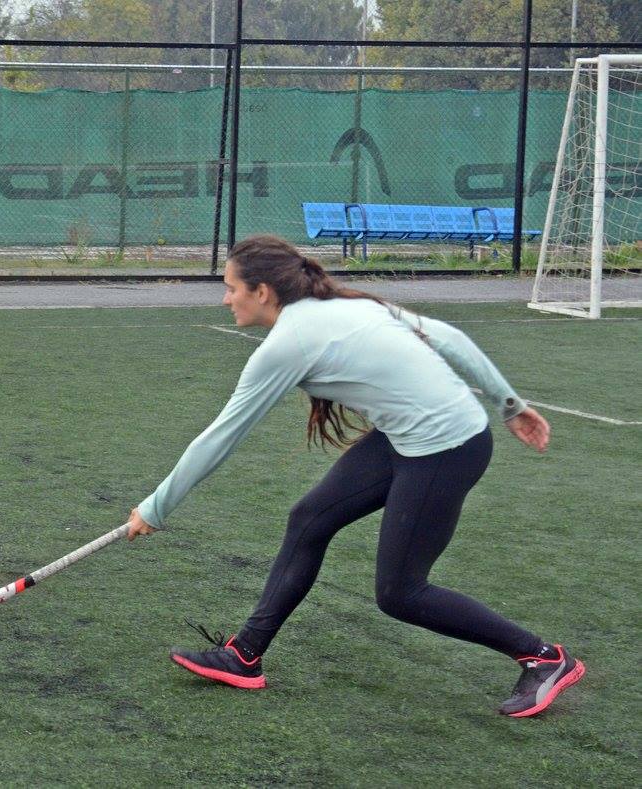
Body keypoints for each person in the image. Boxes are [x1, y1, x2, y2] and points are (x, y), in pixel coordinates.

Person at [125, 234, 584, 718]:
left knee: (401, 593)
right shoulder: (342, 305)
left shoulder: (287, 343)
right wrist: (509, 404)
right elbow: (448, 336)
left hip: (447, 448)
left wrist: (156, 507)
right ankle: (244, 656)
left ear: (262, 292)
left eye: (231, 287)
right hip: (405, 437)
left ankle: (544, 657)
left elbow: (220, 438)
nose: (225, 299)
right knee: (309, 520)